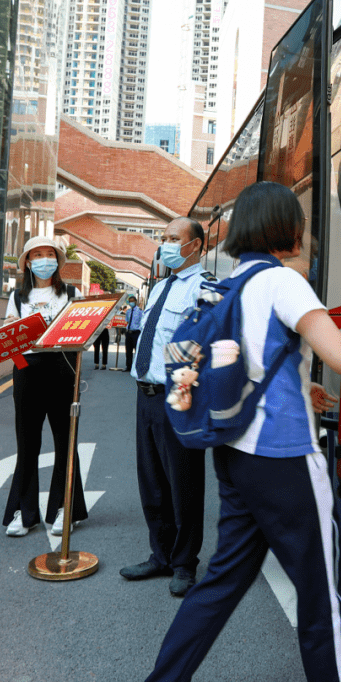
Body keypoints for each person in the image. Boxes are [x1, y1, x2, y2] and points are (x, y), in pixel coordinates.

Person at [139, 182, 341, 682]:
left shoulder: (236, 280)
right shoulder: (286, 282)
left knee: (220, 583)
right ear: (285, 228)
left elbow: (248, 359)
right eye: (299, 223)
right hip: (286, 458)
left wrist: (298, 384)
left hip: (236, 452)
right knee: (321, 600)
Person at [121, 217, 210, 597]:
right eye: (165, 237)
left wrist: (182, 385)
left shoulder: (205, 288)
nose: (167, 244)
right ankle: (160, 554)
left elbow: (203, 344)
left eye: (175, 238)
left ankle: (185, 563)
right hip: (146, 393)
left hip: (178, 394)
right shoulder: (159, 288)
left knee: (183, 483)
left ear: (197, 247)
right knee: (153, 481)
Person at [1, 237, 88, 538]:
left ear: (57, 261)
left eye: (49, 254)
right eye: (36, 255)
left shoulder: (72, 294)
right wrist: (9, 329)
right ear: (27, 261)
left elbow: (84, 332)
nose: (43, 259)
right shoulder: (16, 297)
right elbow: (9, 342)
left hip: (62, 369)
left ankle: (65, 509)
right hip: (26, 371)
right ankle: (23, 514)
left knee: (66, 441)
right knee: (27, 444)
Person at [123, 295, 143, 372]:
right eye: (130, 301)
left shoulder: (140, 311)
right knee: (128, 351)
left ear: (135, 302)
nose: (131, 303)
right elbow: (127, 321)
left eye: (132, 301)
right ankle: (128, 367)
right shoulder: (128, 311)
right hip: (128, 333)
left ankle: (137, 367)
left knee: (137, 351)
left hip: (136, 333)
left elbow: (142, 322)